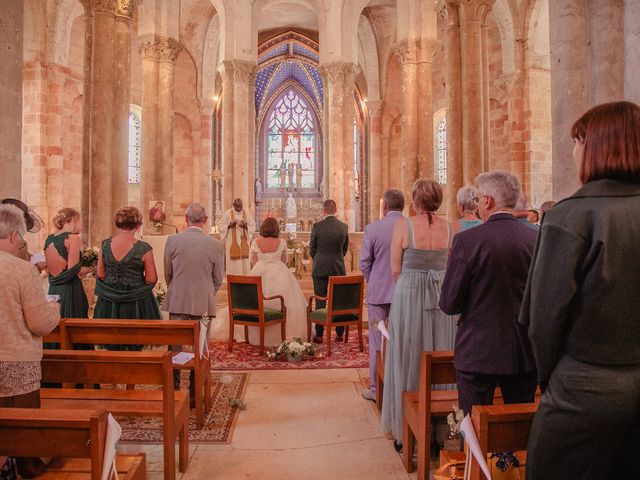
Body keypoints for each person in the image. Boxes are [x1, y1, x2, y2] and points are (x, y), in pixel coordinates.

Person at [520, 101, 640, 480]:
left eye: (577, 142)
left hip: (587, 383)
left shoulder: (571, 215)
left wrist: (553, 379)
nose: (574, 152)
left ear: (596, 146)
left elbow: (541, 320)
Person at [439, 170, 537, 416]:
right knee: (517, 429)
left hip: (477, 350)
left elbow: (450, 303)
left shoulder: (467, 241)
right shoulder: (537, 238)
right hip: (523, 350)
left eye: (479, 198)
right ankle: (512, 457)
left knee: (473, 433)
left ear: (487, 201)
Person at [380, 179, 456, 446]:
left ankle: (406, 431)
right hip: (441, 295)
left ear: (415, 200)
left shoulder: (404, 225)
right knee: (440, 351)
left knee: (408, 352)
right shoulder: (450, 227)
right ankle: (440, 431)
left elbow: (395, 269)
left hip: (410, 293)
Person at [0, 204, 60, 478]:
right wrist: (54, 310)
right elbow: (39, 324)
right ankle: (22, 465)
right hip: (16, 361)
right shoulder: (22, 271)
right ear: (14, 236)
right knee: (20, 430)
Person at [211, 217, 307, 346]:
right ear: (276, 229)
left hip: (259, 272)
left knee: (253, 301)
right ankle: (285, 335)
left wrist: (262, 267)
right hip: (281, 275)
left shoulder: (256, 242)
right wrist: (275, 266)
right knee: (291, 304)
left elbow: (253, 261)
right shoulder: (281, 242)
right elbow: (285, 261)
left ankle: (250, 332)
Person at [163, 203, 224, 397]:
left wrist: (178, 289)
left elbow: (168, 272)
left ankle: (174, 387)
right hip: (203, 302)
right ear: (205, 221)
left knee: (175, 345)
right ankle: (195, 390)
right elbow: (218, 278)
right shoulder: (214, 244)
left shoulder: (172, 241)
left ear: (185, 219)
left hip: (178, 299)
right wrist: (207, 292)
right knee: (201, 346)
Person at [94, 206, 161, 350]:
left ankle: (114, 369)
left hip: (109, 301)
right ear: (138, 225)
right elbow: (151, 278)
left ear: (117, 223)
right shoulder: (144, 248)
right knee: (134, 340)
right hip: (135, 302)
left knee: (111, 339)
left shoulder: (105, 245)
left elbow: (100, 274)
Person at [359, 189, 404, 402]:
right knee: (402, 338)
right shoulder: (411, 227)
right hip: (404, 293)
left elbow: (364, 262)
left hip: (378, 294)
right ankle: (401, 387)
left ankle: (377, 389)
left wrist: (374, 280)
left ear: (384, 206)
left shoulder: (373, 228)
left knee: (377, 341)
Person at [309, 199, 349, 343]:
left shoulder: (317, 227)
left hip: (320, 269)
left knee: (320, 301)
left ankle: (319, 335)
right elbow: (344, 250)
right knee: (338, 302)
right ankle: (339, 333)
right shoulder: (343, 227)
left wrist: (320, 259)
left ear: (324, 210)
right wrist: (335, 259)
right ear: (335, 209)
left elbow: (312, 249)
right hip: (338, 268)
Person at [44, 208, 89, 322]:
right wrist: (89, 269)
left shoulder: (49, 238)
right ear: (74, 219)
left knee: (56, 324)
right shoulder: (73, 238)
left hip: (54, 289)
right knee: (72, 327)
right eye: (80, 222)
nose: (81, 226)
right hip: (70, 289)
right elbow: (73, 270)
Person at [219, 198, 255, 275]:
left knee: (245, 265)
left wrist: (245, 226)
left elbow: (252, 226)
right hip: (232, 242)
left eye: (240, 207)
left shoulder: (246, 213)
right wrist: (229, 225)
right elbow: (221, 226)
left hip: (244, 241)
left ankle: (245, 281)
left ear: (242, 205)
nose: (239, 209)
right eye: (237, 207)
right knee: (234, 266)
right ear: (233, 205)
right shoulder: (227, 213)